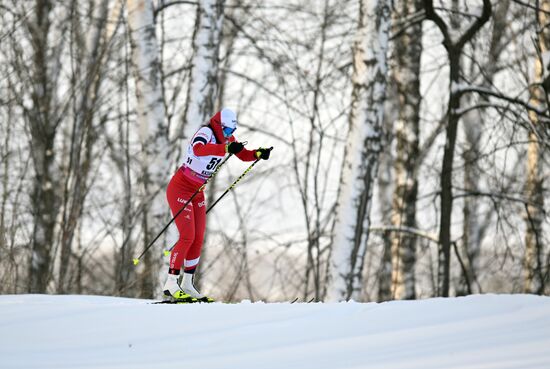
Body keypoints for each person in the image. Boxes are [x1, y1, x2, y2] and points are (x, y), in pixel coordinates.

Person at [162, 108, 271, 302]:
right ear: (220, 126)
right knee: (187, 236)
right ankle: (171, 283)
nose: (230, 135)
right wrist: (225, 149)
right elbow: (198, 149)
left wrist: (258, 154)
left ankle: (187, 283)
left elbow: (243, 154)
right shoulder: (206, 133)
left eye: (232, 132)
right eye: (228, 131)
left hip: (198, 191)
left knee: (198, 237)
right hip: (181, 187)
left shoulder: (227, 138)